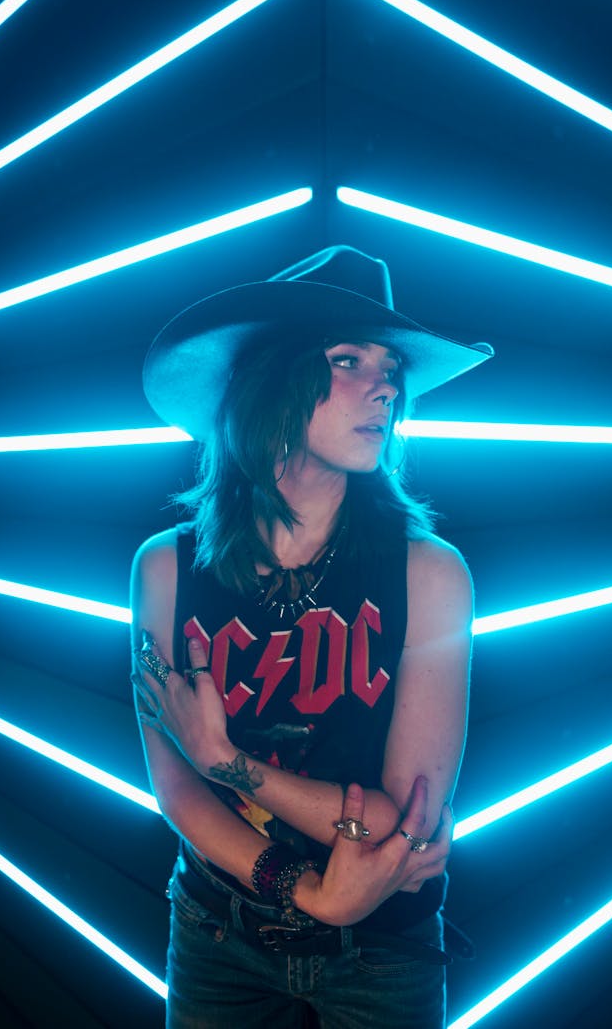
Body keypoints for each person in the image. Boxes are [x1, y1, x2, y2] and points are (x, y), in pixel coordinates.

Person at [131, 245, 493, 1028]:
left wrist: (228, 759)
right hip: (214, 931)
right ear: (271, 381)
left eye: (391, 365)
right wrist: (308, 893)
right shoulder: (164, 570)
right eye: (348, 359)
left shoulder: (431, 576)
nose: (386, 386)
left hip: (382, 948)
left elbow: (407, 821)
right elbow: (177, 789)